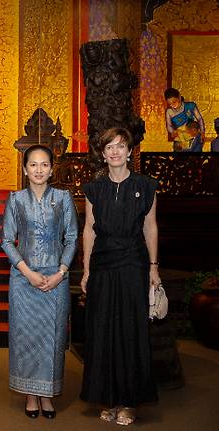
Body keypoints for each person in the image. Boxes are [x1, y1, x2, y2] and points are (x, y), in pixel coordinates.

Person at [80, 127, 160, 426]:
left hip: (133, 263)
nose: (114, 151)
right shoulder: (94, 189)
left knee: (130, 330)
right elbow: (89, 228)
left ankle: (129, 402)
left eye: (120, 146)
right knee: (102, 330)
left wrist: (153, 267)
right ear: (103, 153)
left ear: (129, 152)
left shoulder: (146, 185)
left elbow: (150, 227)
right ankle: (110, 399)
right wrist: (86, 269)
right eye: (109, 146)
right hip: (102, 264)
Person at [2, 145, 78, 419]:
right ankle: (30, 395)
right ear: (24, 169)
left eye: (44, 164)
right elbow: (7, 241)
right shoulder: (16, 199)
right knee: (27, 336)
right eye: (32, 165)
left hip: (56, 279)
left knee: (52, 337)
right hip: (24, 279)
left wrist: (61, 272)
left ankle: (47, 394)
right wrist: (28, 272)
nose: (38, 169)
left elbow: (71, 238)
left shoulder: (63, 198)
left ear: (51, 169)